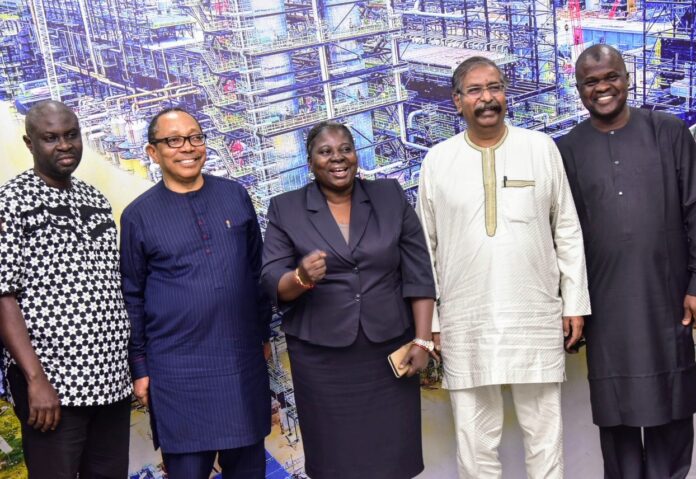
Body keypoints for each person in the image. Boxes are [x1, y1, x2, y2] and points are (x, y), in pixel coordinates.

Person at [416, 56, 591, 479]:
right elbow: (425, 248)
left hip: (534, 314)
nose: (487, 98)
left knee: (545, 436)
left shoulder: (540, 148)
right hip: (466, 321)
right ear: (457, 101)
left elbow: (567, 229)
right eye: (475, 90)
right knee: (475, 444)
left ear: (506, 94)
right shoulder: (438, 161)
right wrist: (433, 321)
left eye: (494, 87)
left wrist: (574, 303)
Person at [261, 121, 436, 479]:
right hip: (322, 360)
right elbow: (271, 281)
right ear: (310, 162)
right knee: (335, 460)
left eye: (345, 149)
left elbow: (418, 272)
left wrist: (422, 339)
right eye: (325, 152)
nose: (337, 158)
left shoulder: (389, 195)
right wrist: (301, 277)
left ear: (356, 155)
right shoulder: (286, 208)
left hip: (388, 351)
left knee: (392, 457)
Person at [557, 44, 696, 479]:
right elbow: (563, 234)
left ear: (627, 78)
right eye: (591, 81)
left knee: (672, 404)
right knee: (616, 419)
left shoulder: (669, 132)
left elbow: (695, 209)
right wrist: (571, 303)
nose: (602, 88)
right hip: (605, 307)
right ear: (579, 89)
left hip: (667, 299)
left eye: (610, 77)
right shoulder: (567, 149)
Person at [120, 107, 271, 479]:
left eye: (195, 137)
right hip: (176, 373)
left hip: (240, 363)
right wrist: (139, 367)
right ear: (153, 152)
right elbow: (132, 296)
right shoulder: (138, 216)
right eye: (173, 140)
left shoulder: (235, 196)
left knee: (249, 470)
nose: (187, 147)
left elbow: (257, 272)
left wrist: (263, 334)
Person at [0, 100, 131, 478]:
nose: (64, 145)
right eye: (51, 138)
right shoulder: (11, 201)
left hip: (111, 382)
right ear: (30, 144)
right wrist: (35, 380)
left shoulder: (95, 199)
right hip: (53, 388)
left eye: (71, 135)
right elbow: (3, 295)